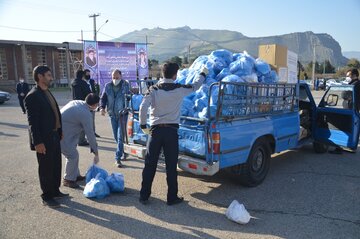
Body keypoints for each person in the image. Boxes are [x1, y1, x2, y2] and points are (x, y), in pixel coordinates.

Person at [138, 62, 208, 206]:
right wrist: (203, 74)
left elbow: (143, 107)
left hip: (155, 131)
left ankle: (144, 196)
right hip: (171, 132)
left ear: (162, 73)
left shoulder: (153, 89)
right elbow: (196, 86)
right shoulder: (179, 89)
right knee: (171, 166)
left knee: (150, 164)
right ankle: (171, 198)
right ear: (175, 75)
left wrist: (143, 125)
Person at [24, 65, 68, 208]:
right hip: (43, 139)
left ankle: (55, 191)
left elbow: (55, 112)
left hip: (54, 135)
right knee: (45, 167)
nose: (51, 78)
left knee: (55, 165)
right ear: (40, 76)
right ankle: (47, 196)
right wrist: (38, 142)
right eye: (49, 75)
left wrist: (60, 130)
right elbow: (33, 123)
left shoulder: (47, 91)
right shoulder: (33, 96)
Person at [61, 93, 100, 188]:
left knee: (73, 154)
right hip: (61, 134)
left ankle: (75, 175)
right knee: (72, 155)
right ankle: (68, 179)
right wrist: (96, 152)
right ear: (94, 105)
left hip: (65, 131)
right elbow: (90, 134)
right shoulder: (85, 114)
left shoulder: (77, 102)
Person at [100, 69, 130, 168]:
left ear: (121, 76)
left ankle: (117, 158)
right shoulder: (108, 86)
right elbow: (103, 98)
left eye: (117, 77)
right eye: (113, 77)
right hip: (112, 114)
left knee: (120, 136)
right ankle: (123, 150)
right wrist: (102, 108)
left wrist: (128, 108)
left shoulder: (126, 85)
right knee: (116, 137)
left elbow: (129, 97)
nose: (115, 79)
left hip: (122, 115)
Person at [329, 69, 360, 154]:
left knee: (344, 129)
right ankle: (351, 146)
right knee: (350, 129)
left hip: (350, 110)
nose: (347, 77)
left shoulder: (356, 84)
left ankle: (340, 148)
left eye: (348, 75)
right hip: (349, 110)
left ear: (354, 75)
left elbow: (344, 94)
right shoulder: (353, 84)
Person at [71, 70, 92, 146]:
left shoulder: (73, 82)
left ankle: (78, 139)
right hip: (83, 104)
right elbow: (89, 94)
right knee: (83, 123)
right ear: (82, 75)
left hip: (75, 104)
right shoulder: (83, 83)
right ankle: (81, 140)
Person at [84, 69, 100, 138]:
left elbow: (95, 89)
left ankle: (93, 132)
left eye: (89, 74)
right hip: (85, 102)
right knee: (84, 120)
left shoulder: (92, 81)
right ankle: (85, 134)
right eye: (87, 74)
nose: (88, 75)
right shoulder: (82, 82)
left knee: (92, 119)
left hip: (92, 102)